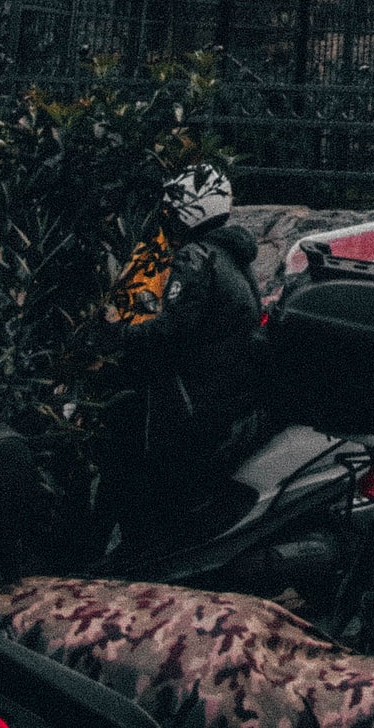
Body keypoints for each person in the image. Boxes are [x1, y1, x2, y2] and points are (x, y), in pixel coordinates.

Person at [105, 164, 262, 535]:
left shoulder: (196, 259)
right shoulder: (234, 257)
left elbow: (171, 331)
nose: (168, 219)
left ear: (191, 209)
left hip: (194, 403)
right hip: (226, 399)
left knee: (153, 488)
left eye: (173, 210)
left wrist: (114, 336)